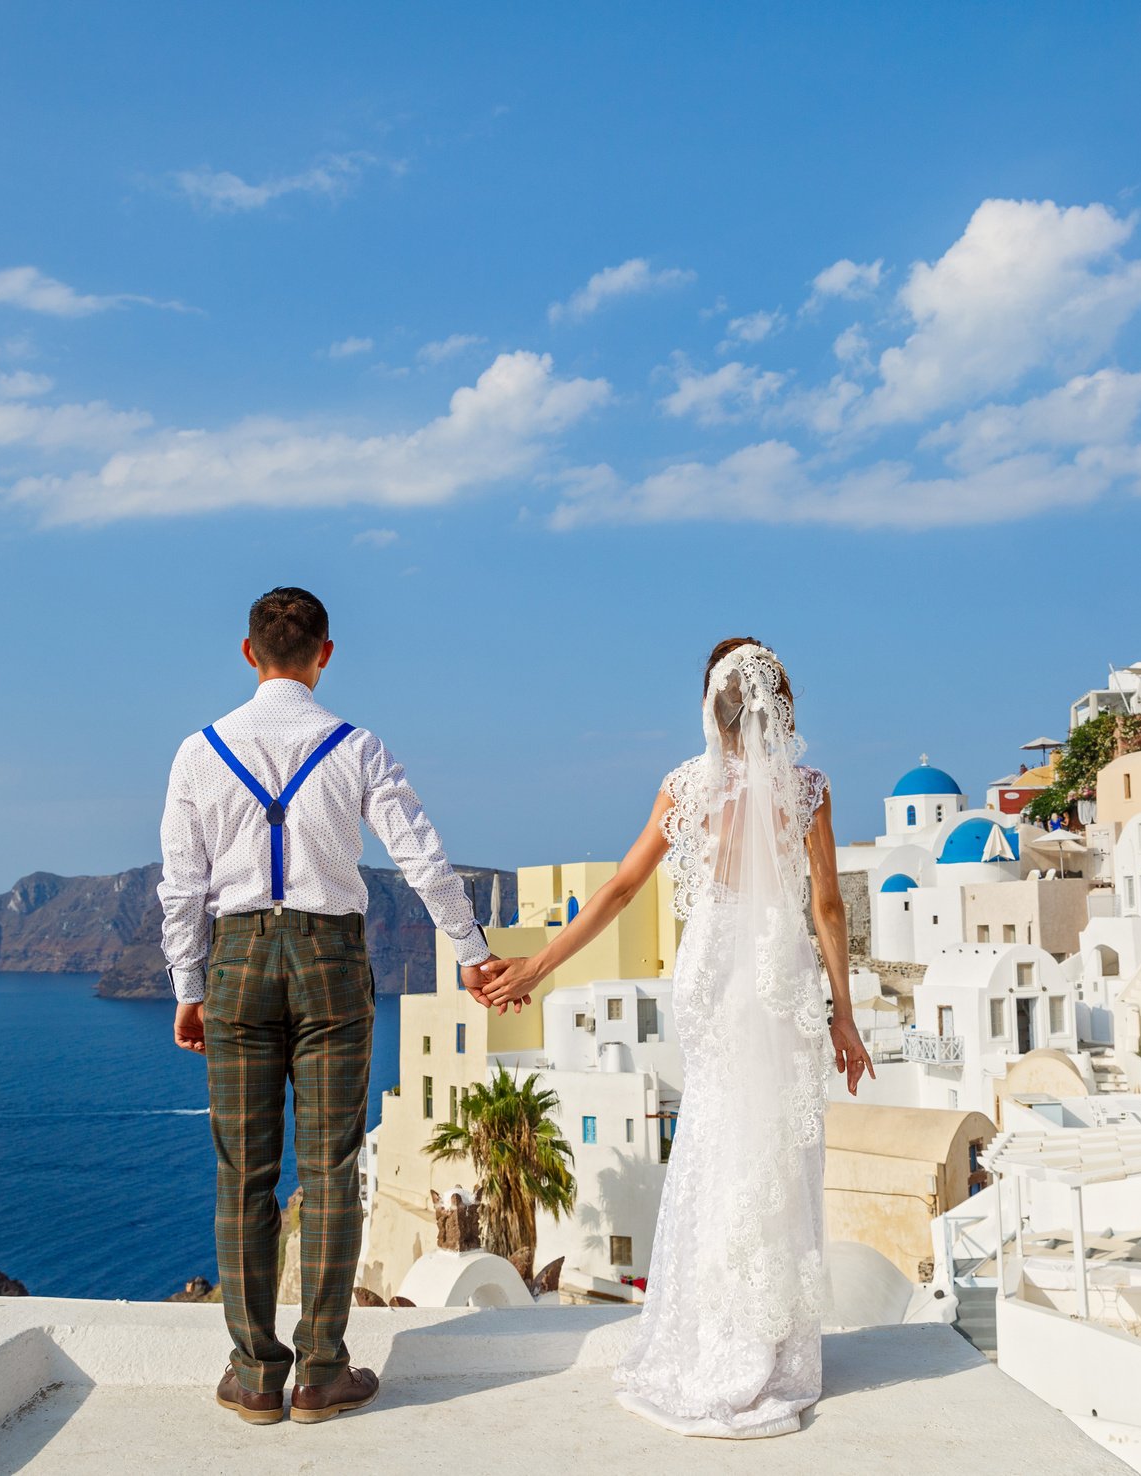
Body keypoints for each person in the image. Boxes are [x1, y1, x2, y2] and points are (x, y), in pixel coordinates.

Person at [476, 638, 875, 1438]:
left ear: (708, 707)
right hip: (777, 968)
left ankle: (707, 1332)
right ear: (780, 707)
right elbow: (826, 907)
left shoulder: (683, 788)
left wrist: (539, 967)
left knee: (714, 1137)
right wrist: (845, 1012)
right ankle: (769, 1341)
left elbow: (621, 888)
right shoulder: (808, 789)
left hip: (707, 969)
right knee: (772, 1147)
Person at [159, 587, 499, 1427]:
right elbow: (420, 855)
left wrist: (187, 988)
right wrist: (472, 953)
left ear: (248, 654)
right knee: (331, 1168)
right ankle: (320, 1372)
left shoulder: (198, 752)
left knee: (244, 1174)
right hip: (330, 963)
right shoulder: (357, 747)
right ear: (325, 653)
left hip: (236, 960)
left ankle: (253, 1375)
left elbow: (182, 887)